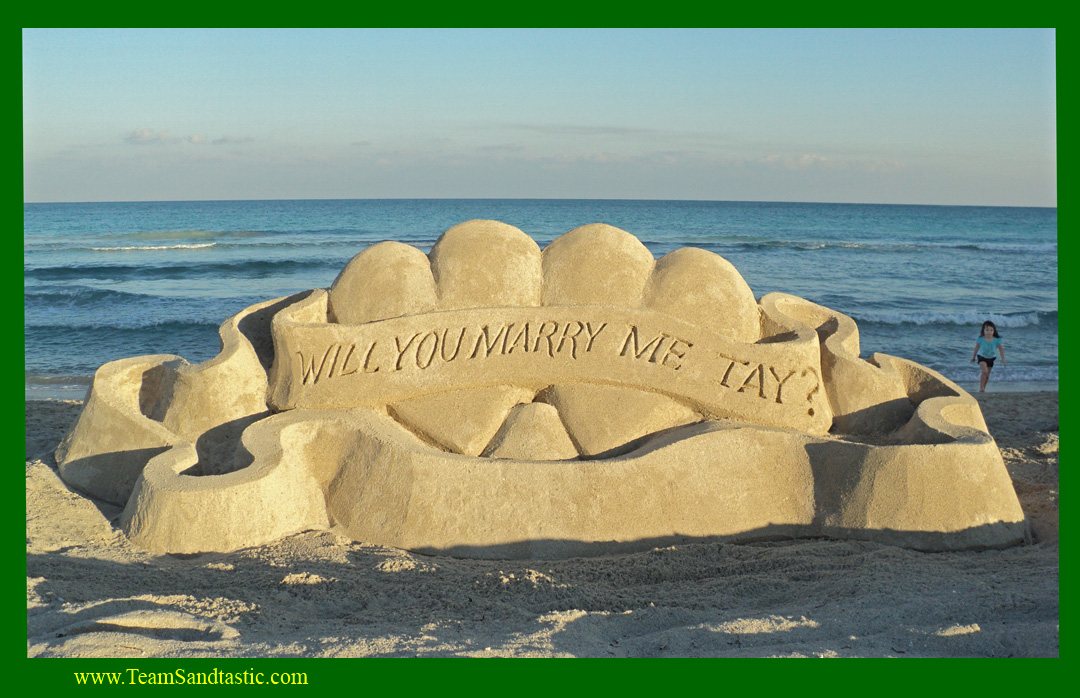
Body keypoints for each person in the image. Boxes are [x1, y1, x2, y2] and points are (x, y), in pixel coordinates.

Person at [970, 320, 1005, 393]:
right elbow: (976, 348)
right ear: (983, 330)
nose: (989, 332)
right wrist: (973, 357)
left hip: (991, 359)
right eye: (987, 330)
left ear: (994, 331)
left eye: (991, 330)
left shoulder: (997, 340)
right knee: (984, 371)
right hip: (981, 357)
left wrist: (1003, 359)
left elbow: (1001, 349)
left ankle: (983, 388)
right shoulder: (980, 339)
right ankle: (981, 387)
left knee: (987, 375)